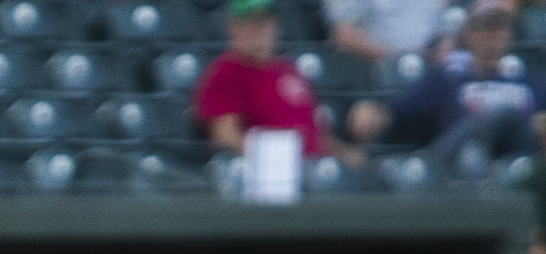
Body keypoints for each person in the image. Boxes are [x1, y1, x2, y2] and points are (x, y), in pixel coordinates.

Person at [346, 0, 545, 164]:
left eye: (501, 26)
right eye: (486, 26)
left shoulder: (528, 80)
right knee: (482, 143)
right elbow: (398, 113)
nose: (494, 33)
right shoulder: (445, 78)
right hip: (456, 167)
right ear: (469, 32)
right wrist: (371, 111)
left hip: (516, 168)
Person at [195, 0, 365, 164]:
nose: (258, 29)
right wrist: (277, 161)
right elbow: (225, 136)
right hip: (270, 176)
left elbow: (313, 134)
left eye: (265, 21)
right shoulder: (225, 72)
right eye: (250, 22)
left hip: (314, 172)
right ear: (233, 27)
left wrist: (344, 153)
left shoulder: (290, 70)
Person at [327, 0, 443, 62]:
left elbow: (445, 27)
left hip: (430, 66)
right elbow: (344, 35)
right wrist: (393, 59)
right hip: (373, 73)